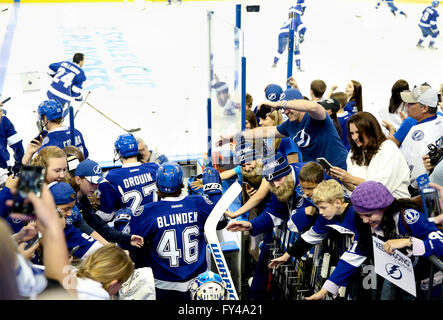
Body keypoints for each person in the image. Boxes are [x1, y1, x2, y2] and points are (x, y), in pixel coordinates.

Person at [306, 181, 443, 300]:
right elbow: (354, 255)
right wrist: (325, 290)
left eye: (369, 215)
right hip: (403, 285)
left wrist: (409, 242)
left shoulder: (408, 217)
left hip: (432, 286)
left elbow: (440, 241)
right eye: (361, 216)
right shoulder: (368, 225)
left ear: (384, 208)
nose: (365, 220)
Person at [124, 163, 225, 301]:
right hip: (199, 282)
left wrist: (120, 224)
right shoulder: (198, 202)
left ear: (157, 185)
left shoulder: (147, 212)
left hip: (163, 284)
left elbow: (125, 244)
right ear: (181, 183)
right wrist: (214, 192)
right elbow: (221, 221)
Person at [222, 88, 348, 170]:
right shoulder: (289, 126)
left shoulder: (315, 116)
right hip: (319, 174)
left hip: (340, 168)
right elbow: (263, 132)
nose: (285, 112)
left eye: (288, 107)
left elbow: (314, 107)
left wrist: (278, 104)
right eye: (283, 109)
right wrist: (234, 136)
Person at [267, 179, 356, 285]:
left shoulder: (357, 213)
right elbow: (310, 237)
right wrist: (286, 256)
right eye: (319, 208)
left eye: (323, 208)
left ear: (337, 202)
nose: (321, 212)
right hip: (350, 261)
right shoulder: (326, 217)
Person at [328, 111, 411, 199]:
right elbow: (354, 189)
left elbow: (381, 188)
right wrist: (343, 179)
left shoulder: (388, 148)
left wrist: (351, 178)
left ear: (370, 131)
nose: (355, 137)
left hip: (394, 204)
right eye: (352, 133)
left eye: (358, 132)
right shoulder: (353, 153)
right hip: (365, 205)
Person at [71, 158, 144, 248]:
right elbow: (84, 229)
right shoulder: (68, 200)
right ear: (78, 180)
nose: (95, 186)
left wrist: (127, 238)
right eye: (92, 182)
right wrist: (110, 249)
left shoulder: (84, 201)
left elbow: (101, 228)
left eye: (98, 183)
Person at [96, 133, 159, 223]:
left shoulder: (109, 177)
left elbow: (106, 216)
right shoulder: (155, 168)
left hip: (130, 231)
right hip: (156, 226)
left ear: (118, 152)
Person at [398, 84, 443, 192]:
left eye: (411, 103)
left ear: (424, 108)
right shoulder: (441, 119)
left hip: (418, 190)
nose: (406, 106)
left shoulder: (416, 133)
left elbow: (413, 171)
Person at [49, 181, 104, 260]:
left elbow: (92, 246)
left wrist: (110, 250)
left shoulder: (66, 226)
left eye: (72, 208)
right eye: (66, 209)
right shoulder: (30, 227)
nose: (70, 214)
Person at [272, 2, 306, 71]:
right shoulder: (297, 18)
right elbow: (304, 28)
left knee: (280, 50)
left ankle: (274, 63)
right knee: (296, 51)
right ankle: (298, 67)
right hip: (291, 33)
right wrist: (301, 36)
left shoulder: (287, 20)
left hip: (281, 34)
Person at [0, 107, 24, 180]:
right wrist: (20, 163)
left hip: (4, 171)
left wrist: (19, 163)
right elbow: (18, 146)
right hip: (4, 171)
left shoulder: (3, 120)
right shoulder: (3, 120)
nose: (2, 113)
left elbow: (16, 144)